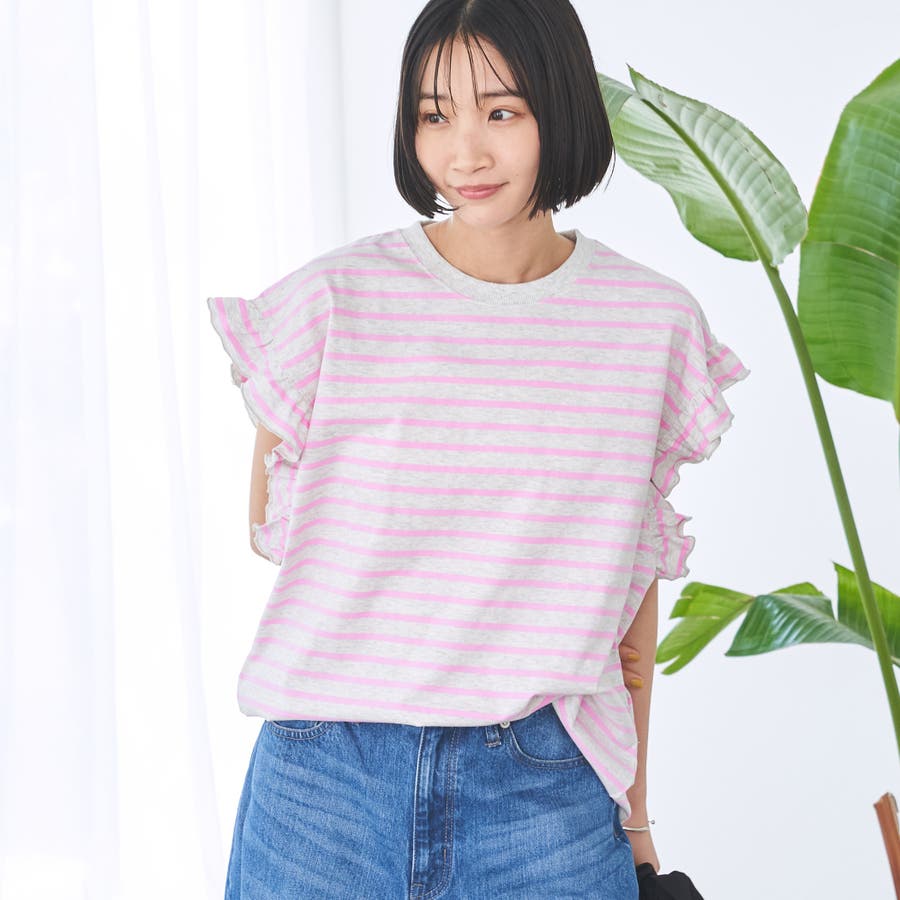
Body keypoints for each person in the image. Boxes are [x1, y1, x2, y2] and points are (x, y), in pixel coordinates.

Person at [207, 1, 749, 897]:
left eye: (501, 112)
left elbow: (628, 608)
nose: (464, 154)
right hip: (323, 785)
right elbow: (272, 528)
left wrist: (638, 817)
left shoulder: (649, 325)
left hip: (544, 790)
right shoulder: (332, 302)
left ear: (560, 107)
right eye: (435, 115)